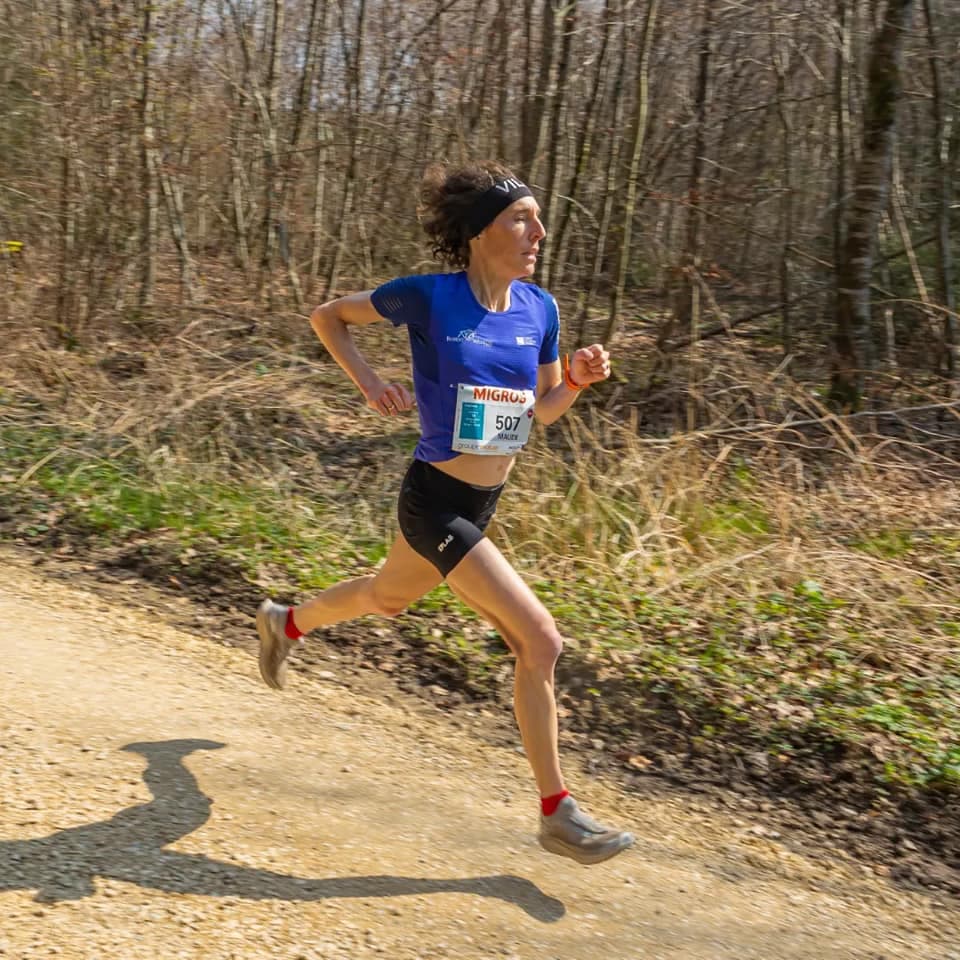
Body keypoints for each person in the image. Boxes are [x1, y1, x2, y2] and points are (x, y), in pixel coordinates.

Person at [256, 161, 634, 866]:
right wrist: (370, 382)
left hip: (481, 503)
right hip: (435, 502)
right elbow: (328, 317)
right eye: (522, 219)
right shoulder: (428, 297)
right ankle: (557, 813)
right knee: (540, 642)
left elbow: (545, 410)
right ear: (480, 231)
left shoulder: (541, 309)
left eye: (538, 219)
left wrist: (578, 381)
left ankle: (286, 622)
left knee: (385, 598)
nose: (539, 232)